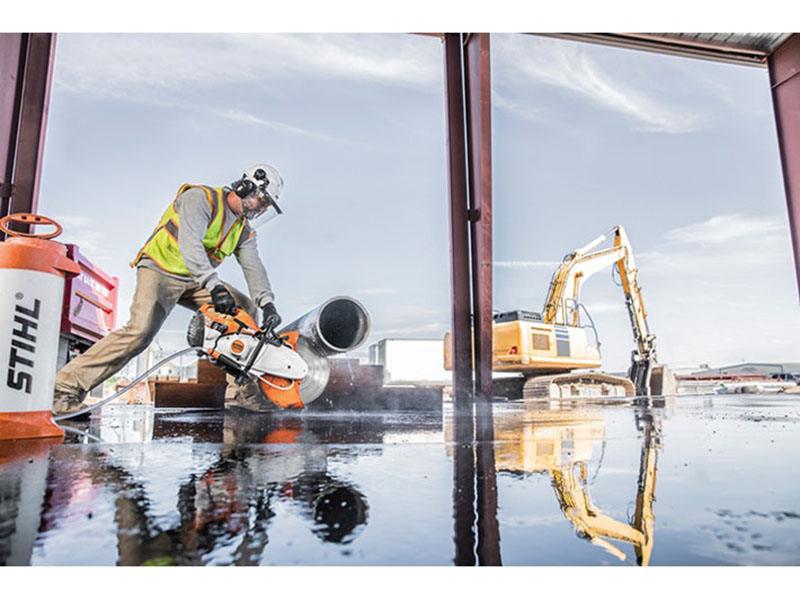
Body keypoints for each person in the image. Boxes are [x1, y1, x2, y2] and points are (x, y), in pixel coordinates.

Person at [53, 164, 285, 416]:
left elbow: (254, 267)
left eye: (266, 206)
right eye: (262, 201)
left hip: (195, 279)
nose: (261, 209)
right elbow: (190, 246)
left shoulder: (243, 229)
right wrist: (214, 286)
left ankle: (243, 395)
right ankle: (64, 390)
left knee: (245, 310)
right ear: (245, 187)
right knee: (139, 333)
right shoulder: (200, 199)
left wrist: (267, 303)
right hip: (160, 269)